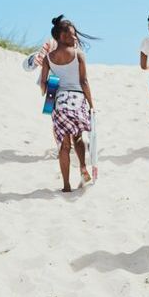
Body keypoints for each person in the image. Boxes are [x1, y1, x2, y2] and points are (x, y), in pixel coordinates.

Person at [38, 15, 97, 192]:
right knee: (77, 136)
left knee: (64, 145)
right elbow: (84, 81)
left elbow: (43, 84)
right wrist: (91, 105)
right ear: (62, 36)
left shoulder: (49, 58)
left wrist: (49, 90)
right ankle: (83, 168)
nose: (75, 38)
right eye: (72, 35)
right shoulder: (78, 54)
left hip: (59, 102)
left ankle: (66, 185)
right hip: (77, 100)